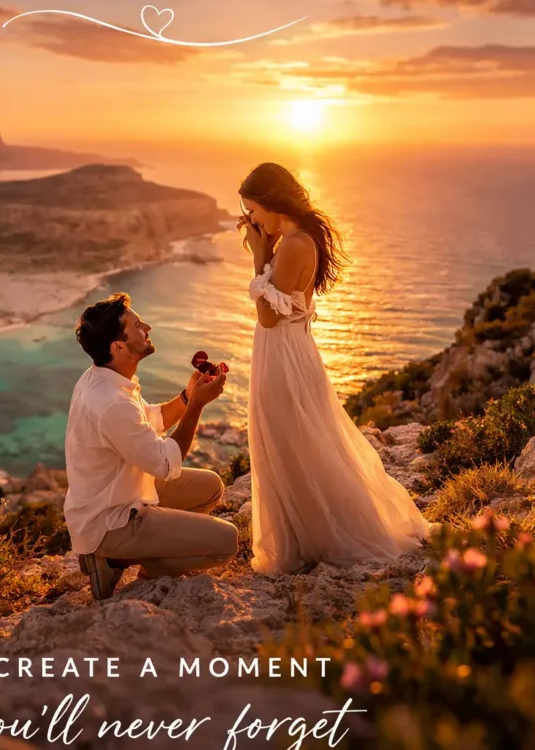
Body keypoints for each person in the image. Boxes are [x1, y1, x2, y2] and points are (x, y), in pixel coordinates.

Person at [238, 162, 429, 576]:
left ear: (270, 202)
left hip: (282, 354)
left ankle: (319, 537)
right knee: (296, 444)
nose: (250, 219)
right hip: (288, 350)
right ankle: (307, 533)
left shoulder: (293, 245)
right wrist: (266, 251)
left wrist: (258, 261)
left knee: (291, 446)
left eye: (252, 209)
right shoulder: (294, 239)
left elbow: (268, 317)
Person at [64, 292, 238, 600]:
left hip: (119, 494)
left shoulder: (105, 378)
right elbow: (165, 464)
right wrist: (197, 406)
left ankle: (140, 552)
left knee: (210, 487)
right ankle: (121, 562)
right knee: (225, 543)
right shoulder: (111, 402)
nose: (148, 327)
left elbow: (150, 418)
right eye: (136, 325)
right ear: (118, 346)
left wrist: (187, 396)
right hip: (111, 520)